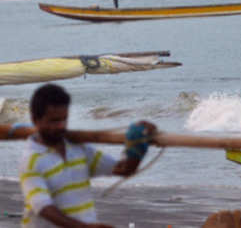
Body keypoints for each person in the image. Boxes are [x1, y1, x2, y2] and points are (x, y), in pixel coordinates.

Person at [19, 84, 155, 227]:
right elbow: (43, 208)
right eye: (54, 121)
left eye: (64, 119)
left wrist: (137, 145)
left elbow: (123, 169)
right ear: (35, 120)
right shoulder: (31, 161)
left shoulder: (78, 149)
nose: (61, 126)